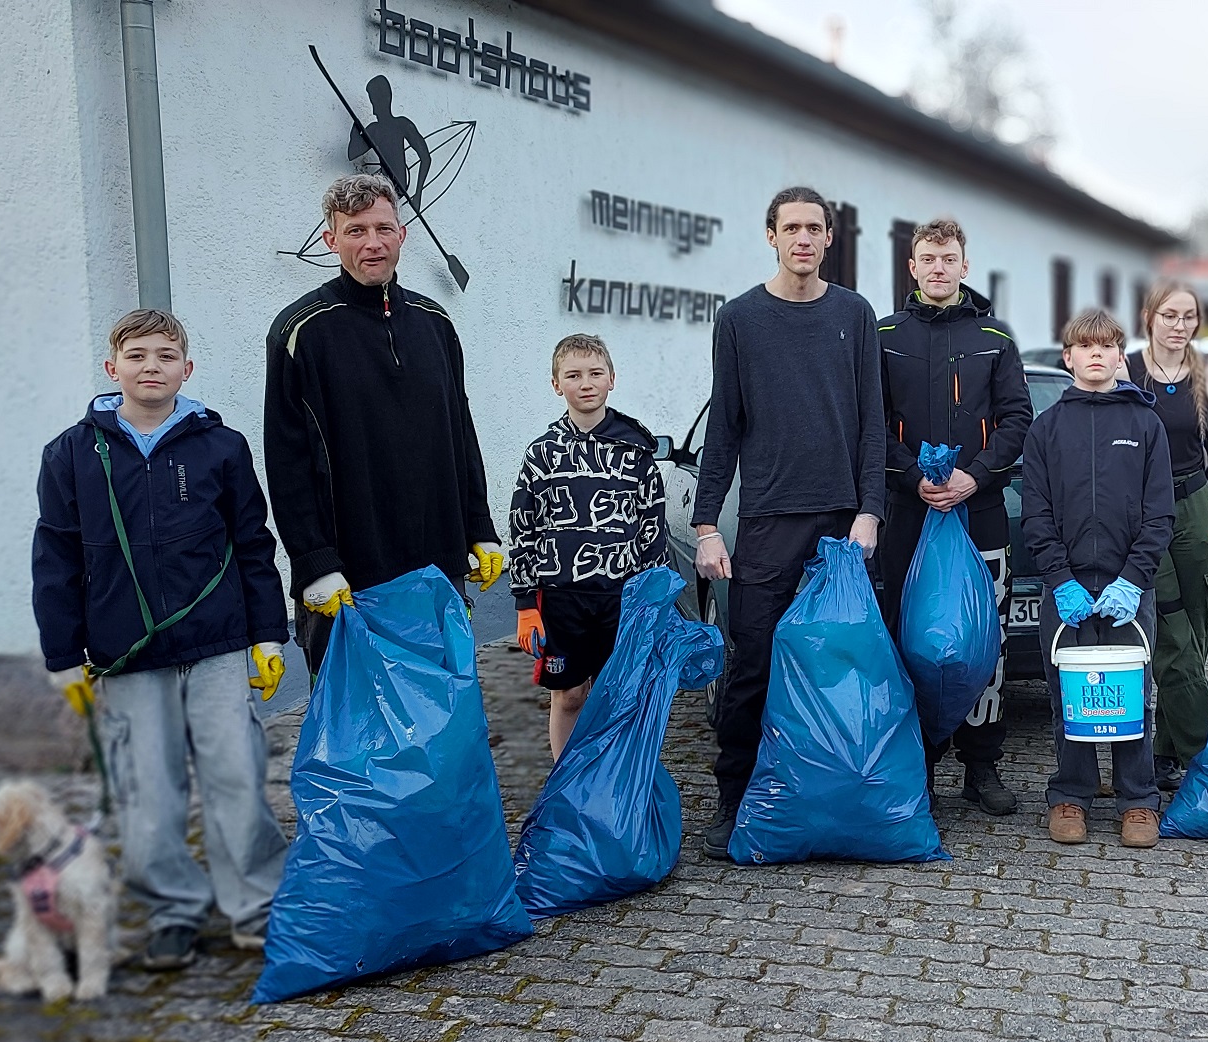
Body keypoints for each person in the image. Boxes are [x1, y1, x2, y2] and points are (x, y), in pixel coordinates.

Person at [32, 309, 292, 970]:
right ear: (112, 367)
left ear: (188, 368)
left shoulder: (222, 447)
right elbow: (56, 558)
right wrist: (63, 656)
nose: (153, 367)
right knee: (147, 788)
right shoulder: (70, 453)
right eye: (138, 355)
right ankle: (172, 911)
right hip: (126, 654)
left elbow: (253, 545)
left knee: (236, 775)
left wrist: (268, 635)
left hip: (218, 645)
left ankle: (256, 906)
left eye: (166, 355)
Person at [693, 186, 887, 860]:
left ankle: (832, 794)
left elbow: (872, 424)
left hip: (841, 523)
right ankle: (734, 798)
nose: (803, 239)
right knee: (752, 665)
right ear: (770, 236)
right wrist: (707, 524)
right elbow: (724, 427)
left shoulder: (855, 315)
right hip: (770, 520)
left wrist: (869, 512)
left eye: (815, 228)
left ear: (830, 238)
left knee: (840, 666)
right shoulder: (741, 319)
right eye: (791, 228)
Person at [263, 174, 505, 676]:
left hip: (438, 568)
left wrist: (478, 526)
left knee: (442, 725)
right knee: (360, 741)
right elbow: (287, 462)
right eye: (355, 231)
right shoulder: (302, 330)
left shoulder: (436, 323)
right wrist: (314, 563)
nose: (372, 244)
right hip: (349, 580)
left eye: (383, 228)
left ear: (402, 234)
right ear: (331, 240)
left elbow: (461, 431)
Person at [874, 217, 1033, 816]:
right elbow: (872, 422)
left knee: (981, 640)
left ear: (965, 267)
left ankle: (982, 763)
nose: (938, 268)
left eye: (949, 258)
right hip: (906, 515)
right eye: (927, 259)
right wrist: (914, 477)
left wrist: (977, 474)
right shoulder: (884, 334)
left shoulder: (995, 337)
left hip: (981, 510)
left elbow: (1018, 418)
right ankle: (916, 761)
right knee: (906, 636)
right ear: (912, 268)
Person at [1021, 308, 1176, 848]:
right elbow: (1036, 515)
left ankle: (1138, 800)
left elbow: (1161, 514)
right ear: (1067, 358)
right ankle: (1071, 795)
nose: (1095, 355)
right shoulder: (1046, 429)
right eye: (1084, 347)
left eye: (1106, 347)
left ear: (1118, 357)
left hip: (1128, 589)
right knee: (1070, 692)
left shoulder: (1145, 425)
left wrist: (1134, 578)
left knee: (1133, 691)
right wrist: (1058, 578)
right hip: (1065, 591)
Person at [508, 334, 670, 761]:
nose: (586, 383)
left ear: (612, 379)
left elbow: (653, 527)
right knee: (571, 695)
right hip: (563, 597)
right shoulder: (541, 454)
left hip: (622, 596)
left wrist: (656, 602)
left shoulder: (636, 452)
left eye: (595, 373)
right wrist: (526, 603)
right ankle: (565, 780)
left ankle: (615, 775)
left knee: (621, 694)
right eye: (573, 375)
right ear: (556, 384)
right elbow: (524, 527)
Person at [1126, 282, 1208, 791]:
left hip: (1196, 506)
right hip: (1142, 511)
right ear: (1149, 317)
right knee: (1168, 629)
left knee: (1197, 626)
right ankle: (1205, 756)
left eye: (1189, 317)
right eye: (1169, 315)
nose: (1179, 326)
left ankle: (1162, 752)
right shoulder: (1126, 371)